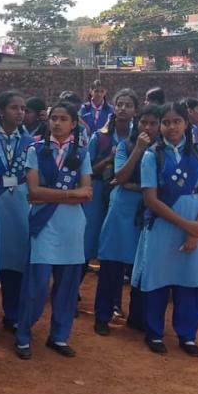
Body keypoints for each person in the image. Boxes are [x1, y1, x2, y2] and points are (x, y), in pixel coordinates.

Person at [131, 102, 198, 356]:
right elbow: (151, 200)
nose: (171, 127)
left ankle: (187, 335)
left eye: (176, 121)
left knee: (188, 281)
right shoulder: (151, 155)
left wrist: (195, 228)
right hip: (162, 225)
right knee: (158, 280)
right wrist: (186, 225)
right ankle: (154, 332)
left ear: (186, 124)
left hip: (194, 224)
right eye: (165, 122)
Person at [15, 100, 92, 359]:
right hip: (44, 225)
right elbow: (33, 193)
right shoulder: (35, 150)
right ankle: (23, 334)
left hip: (71, 227)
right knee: (36, 285)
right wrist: (71, 193)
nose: (57, 123)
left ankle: (59, 336)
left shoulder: (82, 153)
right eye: (53, 118)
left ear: (73, 123)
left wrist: (54, 195)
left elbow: (87, 194)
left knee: (67, 285)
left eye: (63, 118)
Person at [93, 105, 160, 335]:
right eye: (144, 123)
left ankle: (138, 316)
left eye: (153, 123)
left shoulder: (163, 151)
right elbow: (119, 176)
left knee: (142, 267)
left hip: (149, 212)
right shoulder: (125, 145)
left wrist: (136, 186)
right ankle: (102, 316)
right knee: (111, 265)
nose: (148, 128)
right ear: (136, 124)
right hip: (122, 210)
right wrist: (139, 150)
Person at [0, 91, 34, 334]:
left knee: (16, 263)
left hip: (19, 206)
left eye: (23, 108)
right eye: (14, 108)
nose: (20, 112)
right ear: (0, 111)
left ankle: (13, 314)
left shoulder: (32, 143)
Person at [84, 89, 136, 266]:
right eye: (119, 104)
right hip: (98, 190)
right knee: (90, 237)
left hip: (124, 192)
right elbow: (88, 169)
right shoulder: (99, 136)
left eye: (128, 105)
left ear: (135, 111)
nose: (123, 108)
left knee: (119, 239)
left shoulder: (137, 138)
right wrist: (109, 159)